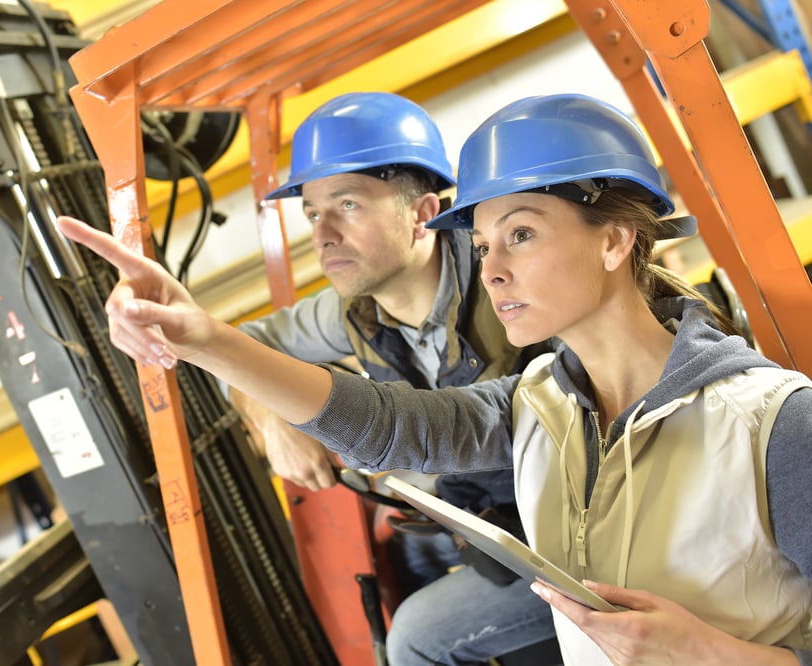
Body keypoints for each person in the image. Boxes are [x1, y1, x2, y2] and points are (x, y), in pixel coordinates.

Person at [58, 92, 812, 665]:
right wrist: (208, 341)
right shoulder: (536, 405)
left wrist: (714, 653)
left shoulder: (775, 423)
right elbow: (392, 426)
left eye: (521, 232)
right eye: (483, 243)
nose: (494, 266)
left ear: (615, 240)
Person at [231, 91, 558, 664]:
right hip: (496, 528)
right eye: (312, 213)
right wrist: (272, 414)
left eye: (348, 204)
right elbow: (242, 347)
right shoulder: (352, 310)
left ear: (424, 213)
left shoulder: (504, 281)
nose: (323, 233)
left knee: (413, 639)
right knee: (403, 560)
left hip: (578, 531)